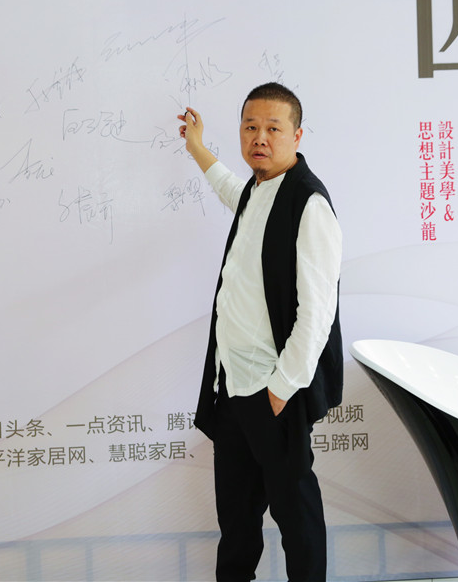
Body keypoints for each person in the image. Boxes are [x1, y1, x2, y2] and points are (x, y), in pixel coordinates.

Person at [177, 82, 343, 582]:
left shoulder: (309, 204)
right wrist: (198, 148)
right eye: (250, 127)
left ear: (297, 135)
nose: (260, 138)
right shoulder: (255, 190)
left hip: (273, 392)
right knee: (236, 520)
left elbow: (318, 313)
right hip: (231, 385)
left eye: (273, 128)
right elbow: (230, 188)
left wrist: (281, 389)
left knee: (296, 517)